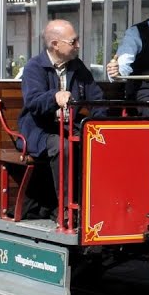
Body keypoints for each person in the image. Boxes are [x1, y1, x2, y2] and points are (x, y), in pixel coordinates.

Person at [19, 19, 102, 216]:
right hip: (39, 131)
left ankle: (93, 204)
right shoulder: (34, 67)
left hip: (68, 127)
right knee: (63, 147)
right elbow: (33, 102)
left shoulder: (77, 66)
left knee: (96, 142)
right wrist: (54, 96)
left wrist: (101, 124)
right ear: (55, 44)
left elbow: (96, 98)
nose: (78, 45)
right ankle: (66, 209)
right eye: (73, 41)